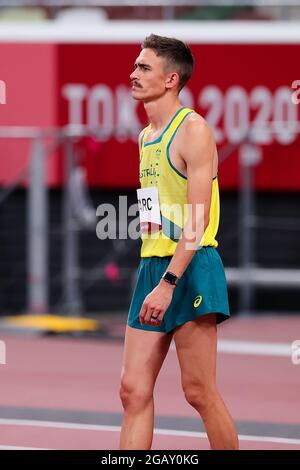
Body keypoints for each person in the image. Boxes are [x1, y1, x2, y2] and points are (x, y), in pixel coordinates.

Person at [119, 34, 239, 450]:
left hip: (191, 267)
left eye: (143, 67)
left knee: (198, 392)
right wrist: (153, 273)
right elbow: (154, 214)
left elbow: (197, 219)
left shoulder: (193, 131)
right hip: (153, 265)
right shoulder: (145, 137)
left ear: (171, 79)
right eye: (135, 66)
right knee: (132, 390)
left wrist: (168, 283)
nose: (133, 74)